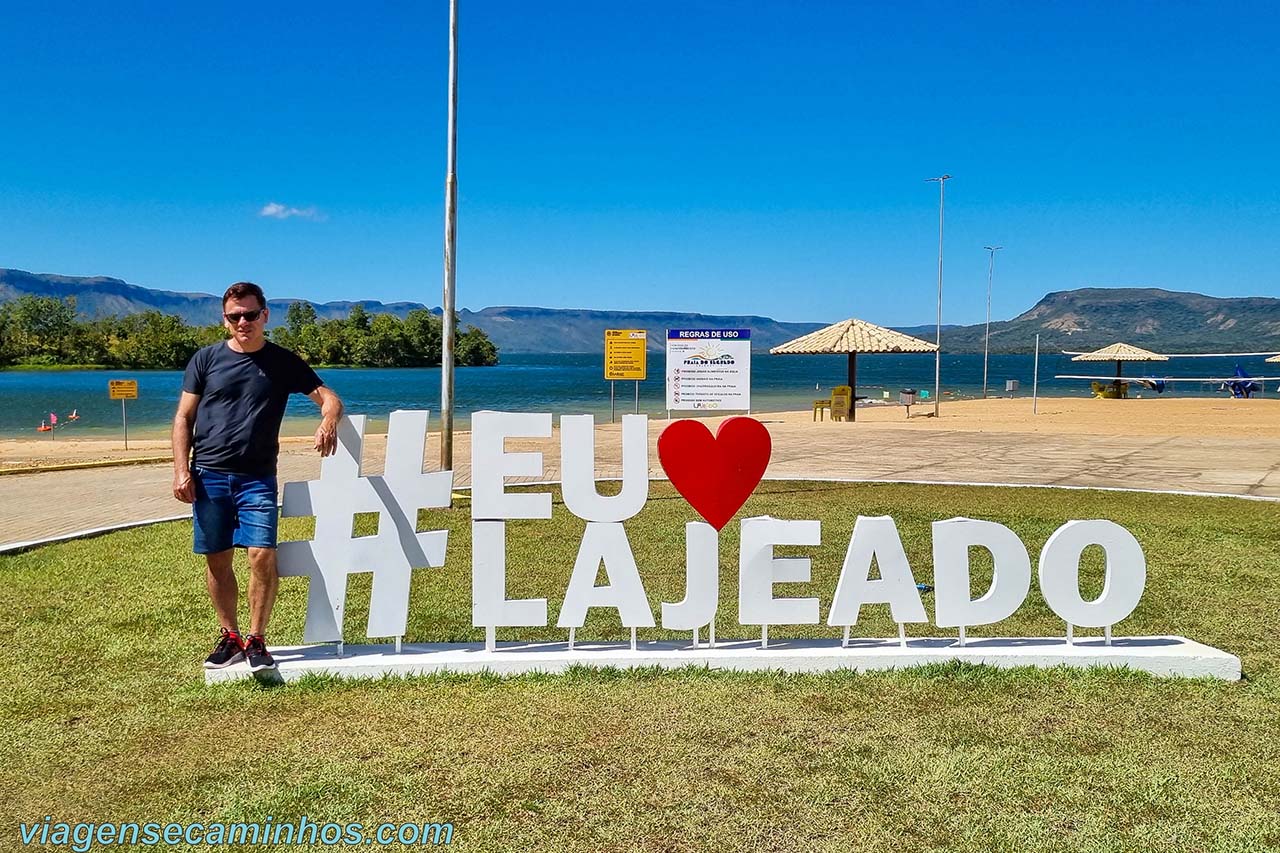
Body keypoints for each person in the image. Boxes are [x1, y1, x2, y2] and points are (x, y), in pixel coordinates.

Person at [172, 282, 343, 673]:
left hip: (257, 478)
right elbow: (184, 417)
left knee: (262, 555)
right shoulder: (205, 360)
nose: (243, 322)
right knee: (217, 560)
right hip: (209, 474)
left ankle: (257, 639)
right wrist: (182, 470)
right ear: (225, 320)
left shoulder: (282, 361)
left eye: (250, 314)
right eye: (235, 316)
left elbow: (328, 397)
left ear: (265, 315)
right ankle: (229, 636)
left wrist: (329, 419)